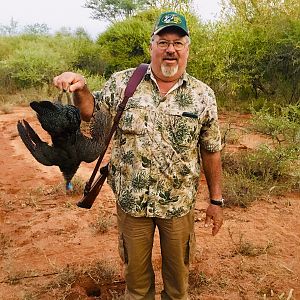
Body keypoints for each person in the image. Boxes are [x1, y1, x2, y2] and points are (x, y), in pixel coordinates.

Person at [53, 11, 224, 300]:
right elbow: (91, 114)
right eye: (163, 41)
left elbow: (211, 149)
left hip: (178, 206)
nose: (170, 49)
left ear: (187, 49)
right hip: (132, 204)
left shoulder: (202, 95)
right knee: (137, 283)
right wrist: (80, 89)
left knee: (178, 284)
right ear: (152, 45)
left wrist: (216, 200)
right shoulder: (123, 83)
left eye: (178, 43)